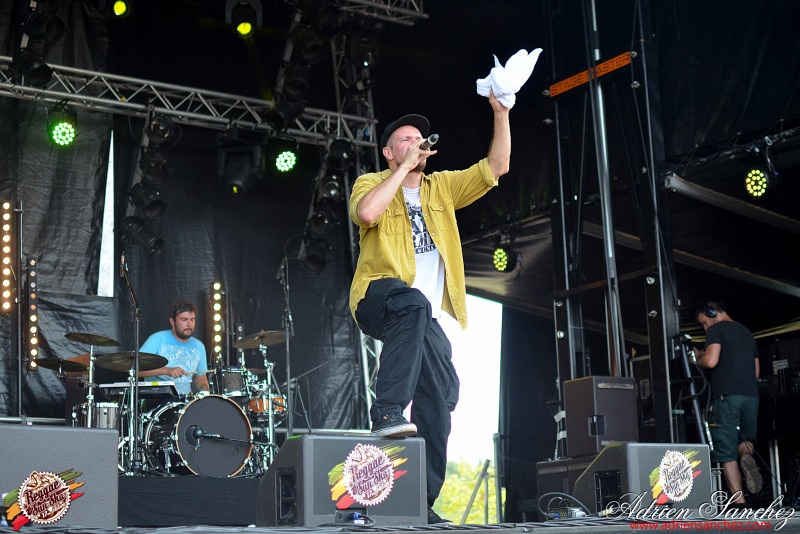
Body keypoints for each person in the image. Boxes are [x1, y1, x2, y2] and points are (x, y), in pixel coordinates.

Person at [348, 90, 510, 523]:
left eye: (419, 138)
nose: (415, 142)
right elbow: (367, 214)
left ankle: (421, 503)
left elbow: (496, 167)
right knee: (413, 303)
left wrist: (501, 111)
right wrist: (401, 169)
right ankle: (386, 410)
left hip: (421, 317)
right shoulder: (370, 182)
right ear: (388, 152)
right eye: (405, 139)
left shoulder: (442, 188)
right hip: (377, 296)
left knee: (438, 403)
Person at [694, 299, 762, 505]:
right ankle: (746, 458)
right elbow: (756, 373)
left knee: (726, 452)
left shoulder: (716, 330)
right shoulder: (747, 333)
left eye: (704, 322)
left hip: (726, 398)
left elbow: (711, 361)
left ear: (712, 312)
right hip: (751, 397)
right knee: (745, 443)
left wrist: (697, 358)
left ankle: (739, 503)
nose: (705, 327)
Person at [138, 300, 210, 397]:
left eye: (192, 320)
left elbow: (200, 378)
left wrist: (205, 389)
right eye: (184, 320)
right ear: (172, 321)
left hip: (185, 400)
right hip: (156, 398)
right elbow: (137, 370)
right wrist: (166, 371)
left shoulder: (199, 346)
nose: (189, 325)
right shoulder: (157, 339)